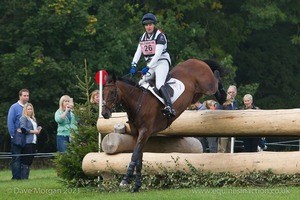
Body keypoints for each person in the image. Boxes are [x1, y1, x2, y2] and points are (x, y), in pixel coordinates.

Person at [129, 13, 175, 117]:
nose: (148, 27)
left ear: (154, 25)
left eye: (150, 24)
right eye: (146, 25)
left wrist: (148, 67)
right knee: (141, 83)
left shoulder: (160, 36)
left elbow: (158, 54)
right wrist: (133, 65)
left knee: (159, 84)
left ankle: (169, 106)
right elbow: (138, 52)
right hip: (151, 64)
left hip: (162, 62)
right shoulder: (143, 37)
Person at [7, 89, 30, 180]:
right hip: (17, 136)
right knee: (16, 158)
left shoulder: (29, 107)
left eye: (27, 95)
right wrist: (12, 135)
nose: (26, 97)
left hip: (27, 137)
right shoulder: (14, 107)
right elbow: (10, 122)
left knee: (25, 158)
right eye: (24, 95)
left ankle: (24, 177)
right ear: (20, 96)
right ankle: (16, 177)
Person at [19, 103, 42, 179]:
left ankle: (26, 177)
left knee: (30, 159)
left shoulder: (33, 119)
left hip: (34, 141)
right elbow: (23, 128)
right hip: (27, 141)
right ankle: (23, 178)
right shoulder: (23, 118)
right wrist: (33, 131)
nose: (30, 110)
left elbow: (34, 130)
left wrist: (38, 129)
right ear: (25, 110)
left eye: (31, 109)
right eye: (28, 109)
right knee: (26, 160)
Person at [217, 85, 239, 153]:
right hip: (224, 129)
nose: (231, 94)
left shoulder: (235, 103)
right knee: (222, 149)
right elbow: (217, 112)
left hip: (232, 129)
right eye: (229, 92)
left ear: (235, 93)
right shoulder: (222, 101)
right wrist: (222, 105)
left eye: (232, 92)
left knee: (230, 149)